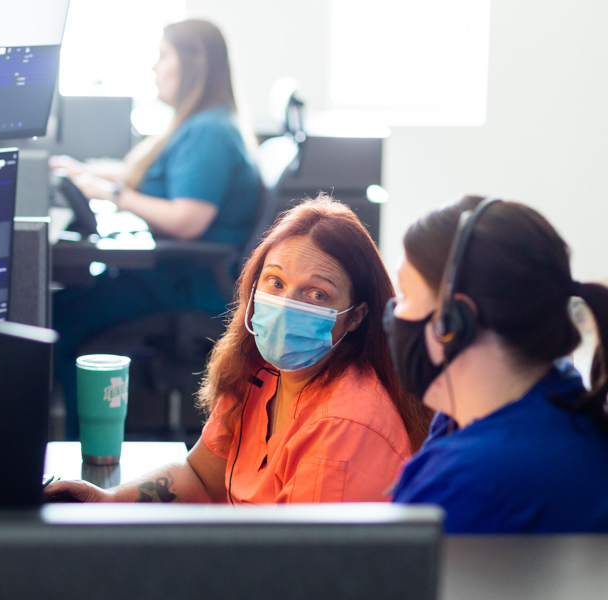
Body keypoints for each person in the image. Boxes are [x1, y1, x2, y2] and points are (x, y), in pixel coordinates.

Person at [45, 196, 433, 503]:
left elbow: (307, 572)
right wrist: (110, 501)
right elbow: (200, 477)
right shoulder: (260, 374)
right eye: (275, 283)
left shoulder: (344, 426)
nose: (285, 305)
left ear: (355, 316)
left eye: (317, 294)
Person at [50, 20, 259, 440]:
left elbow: (187, 219)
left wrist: (111, 194)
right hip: (174, 275)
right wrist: (86, 173)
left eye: (163, 56)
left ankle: (79, 454)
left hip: (186, 283)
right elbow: (141, 177)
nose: (154, 67)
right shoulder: (202, 124)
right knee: (64, 308)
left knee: (55, 323)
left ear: (193, 65)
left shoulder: (207, 133)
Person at [384, 195, 608, 533]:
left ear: (453, 323)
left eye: (405, 296)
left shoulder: (470, 481)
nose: (394, 312)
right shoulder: (559, 395)